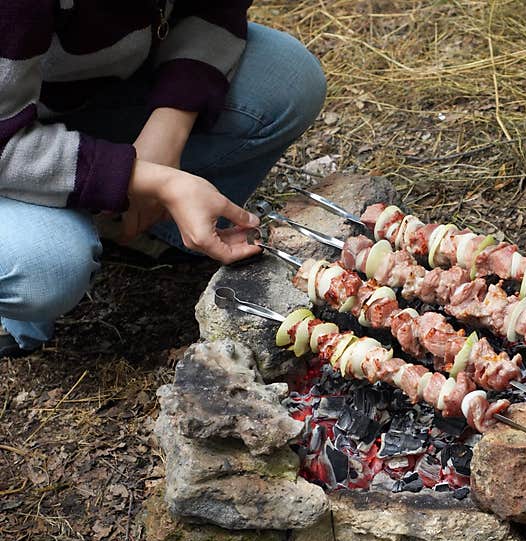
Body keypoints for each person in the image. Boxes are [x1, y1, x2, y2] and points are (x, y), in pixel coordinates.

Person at [0, 1, 326, 357]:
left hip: (75, 94)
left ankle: (130, 222)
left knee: (288, 77)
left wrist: (167, 129)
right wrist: (146, 177)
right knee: (47, 268)